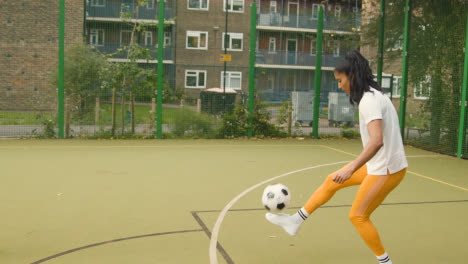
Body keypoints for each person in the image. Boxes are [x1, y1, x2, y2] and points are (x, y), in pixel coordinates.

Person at [266, 50, 408, 264]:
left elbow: (377, 140)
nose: (339, 86)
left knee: (358, 216)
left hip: (387, 170)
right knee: (331, 181)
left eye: (340, 80)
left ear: (351, 76)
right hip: (380, 165)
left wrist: (351, 168)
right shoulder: (371, 96)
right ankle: (295, 221)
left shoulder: (369, 101)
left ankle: (386, 263)